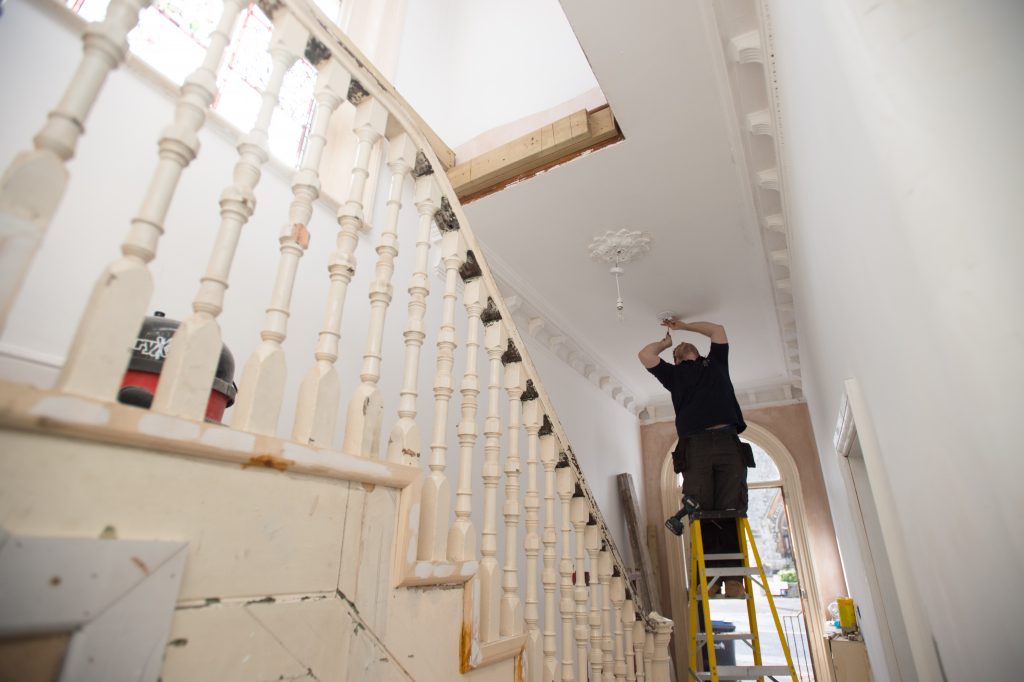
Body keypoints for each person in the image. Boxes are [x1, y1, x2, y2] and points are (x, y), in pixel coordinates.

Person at [638, 318, 752, 598]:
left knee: (731, 508)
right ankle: (709, 581)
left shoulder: (715, 364)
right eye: (678, 352)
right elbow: (646, 355)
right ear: (676, 362)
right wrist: (666, 344)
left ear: (698, 354)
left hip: (727, 440)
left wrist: (683, 326)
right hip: (695, 446)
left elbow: (718, 330)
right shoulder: (674, 376)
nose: (682, 348)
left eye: (685, 348)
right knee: (701, 511)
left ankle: (734, 579)